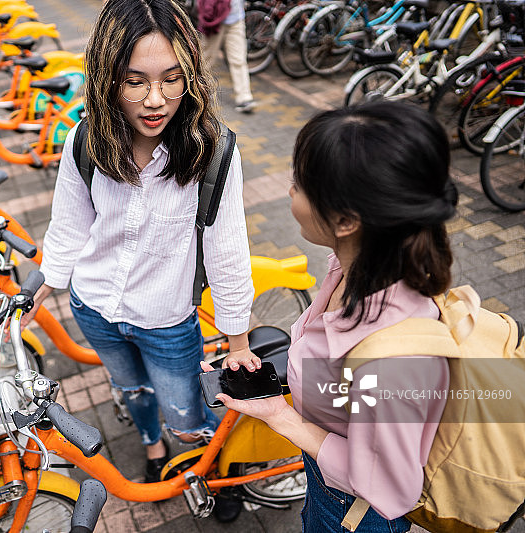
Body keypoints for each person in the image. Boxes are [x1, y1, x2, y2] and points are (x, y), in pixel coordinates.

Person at [22, 0, 255, 491]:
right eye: (135, 82)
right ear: (109, 78)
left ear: (190, 74)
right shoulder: (86, 141)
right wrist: (47, 282)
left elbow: (227, 250)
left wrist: (237, 339)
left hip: (167, 321)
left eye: (172, 79)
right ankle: (151, 447)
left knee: (188, 416)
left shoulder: (212, 153)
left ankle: (215, 469)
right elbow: (69, 225)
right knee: (131, 390)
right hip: (94, 307)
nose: (156, 99)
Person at [207, 100, 458, 532]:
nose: (290, 191)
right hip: (329, 487)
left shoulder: (394, 357)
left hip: (354, 513)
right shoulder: (350, 267)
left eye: (301, 183)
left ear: (346, 221)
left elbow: (391, 486)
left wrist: (283, 418)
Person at [199, 0, 256, 113]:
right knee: (206, 61)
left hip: (236, 19)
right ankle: (200, 95)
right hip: (215, 19)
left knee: (238, 60)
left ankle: (244, 98)